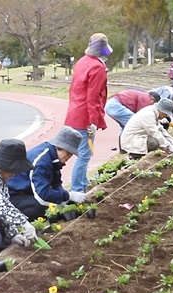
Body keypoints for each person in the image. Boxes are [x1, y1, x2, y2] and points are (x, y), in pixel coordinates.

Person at [64, 33, 111, 192]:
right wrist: (93, 121)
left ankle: (82, 183)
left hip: (74, 112)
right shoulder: (98, 68)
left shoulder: (82, 62)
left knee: (82, 152)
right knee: (85, 154)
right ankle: (78, 188)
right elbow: (93, 97)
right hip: (85, 118)